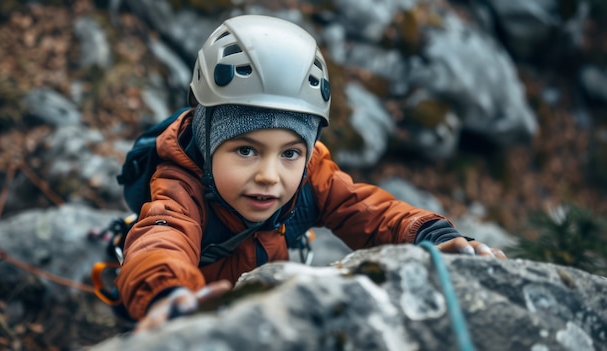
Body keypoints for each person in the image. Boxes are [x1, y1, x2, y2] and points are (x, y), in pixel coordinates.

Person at [115, 14, 507, 332]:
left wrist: (432, 235)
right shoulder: (181, 184)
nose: (270, 175)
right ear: (206, 139)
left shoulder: (311, 173)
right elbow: (162, 238)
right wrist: (167, 296)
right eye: (246, 150)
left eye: (289, 153)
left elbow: (367, 211)